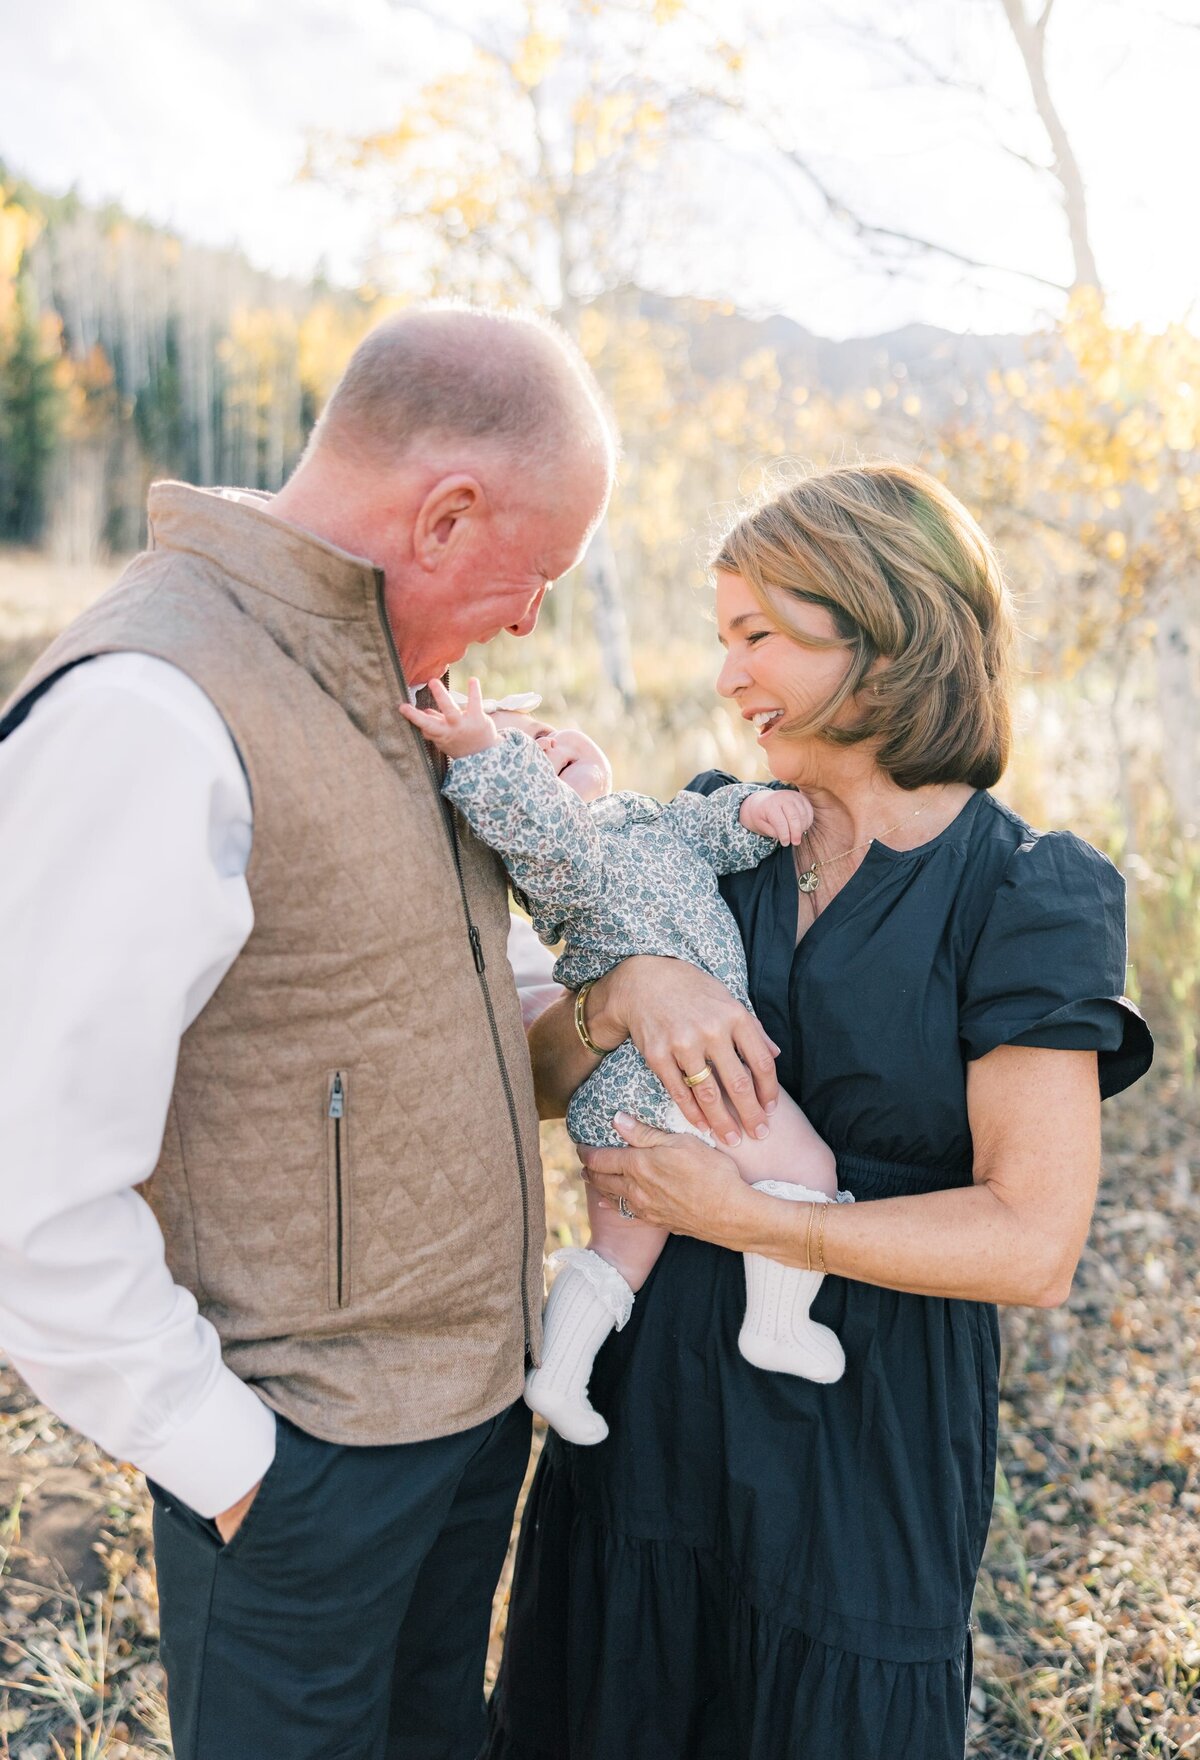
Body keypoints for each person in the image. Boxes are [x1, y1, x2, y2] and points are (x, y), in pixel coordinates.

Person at [0, 306, 615, 1760]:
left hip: (468, 1426)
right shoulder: (154, 704)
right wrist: (228, 1462)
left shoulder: (398, 684)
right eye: (538, 576)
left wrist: (634, 980)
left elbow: (435, 1015)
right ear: (446, 514)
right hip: (299, 1470)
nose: (529, 623)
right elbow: (27, 1169)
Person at [483, 462, 1154, 1760]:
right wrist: (628, 987)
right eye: (720, 637)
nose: (727, 675)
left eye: (759, 637)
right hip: (651, 1414)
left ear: (888, 633)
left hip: (863, 1441)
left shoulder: (1023, 892)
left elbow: (1033, 1242)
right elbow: (547, 1082)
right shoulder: (719, 836)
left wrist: (762, 1221)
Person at [400, 679, 842, 1448]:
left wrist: (752, 812)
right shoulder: (566, 863)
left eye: (544, 729)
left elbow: (698, 825)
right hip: (670, 1073)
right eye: (523, 752)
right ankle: (777, 1323)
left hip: (616, 1093)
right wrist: (479, 753)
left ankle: (561, 1375)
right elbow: (537, 832)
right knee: (807, 1168)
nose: (545, 744)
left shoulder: (637, 818)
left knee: (618, 1255)